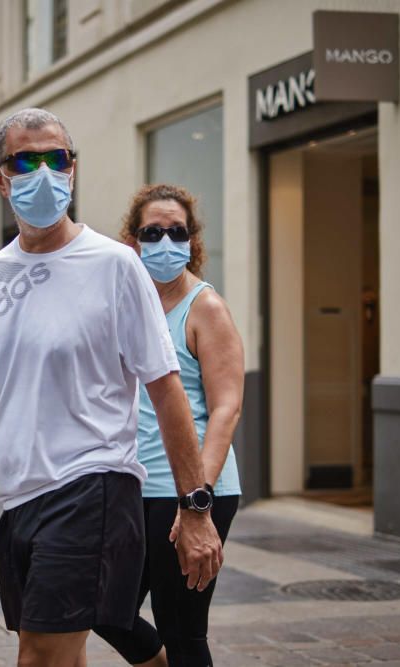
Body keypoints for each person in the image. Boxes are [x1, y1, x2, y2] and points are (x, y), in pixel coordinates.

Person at [0, 108, 224, 667]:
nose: (43, 172)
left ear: (72, 170)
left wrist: (196, 509)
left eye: (55, 159)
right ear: (0, 177)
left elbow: (166, 390)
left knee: (41, 657)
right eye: (25, 160)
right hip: (18, 500)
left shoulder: (115, 266)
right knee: (64, 651)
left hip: (92, 488)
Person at [93, 185, 245, 667]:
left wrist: (195, 497)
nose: (164, 242)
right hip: (130, 487)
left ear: (192, 240)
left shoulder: (205, 308)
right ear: (133, 240)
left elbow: (226, 408)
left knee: (181, 627)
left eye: (175, 231)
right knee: (102, 606)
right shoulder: (125, 303)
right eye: (152, 232)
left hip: (190, 488)